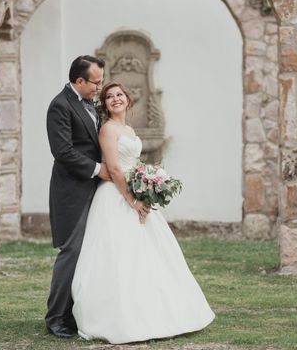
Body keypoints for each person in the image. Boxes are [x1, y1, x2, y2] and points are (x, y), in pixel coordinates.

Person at [71, 81, 215, 343]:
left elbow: (131, 164)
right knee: (121, 257)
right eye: (110, 96)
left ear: (128, 99)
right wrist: (133, 201)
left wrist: (149, 176)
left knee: (151, 255)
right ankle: (120, 318)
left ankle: (160, 312)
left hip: (132, 191)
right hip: (115, 197)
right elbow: (114, 169)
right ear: (104, 104)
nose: (115, 99)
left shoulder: (127, 128)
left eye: (119, 95)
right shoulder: (108, 129)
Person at [45, 55, 108, 339]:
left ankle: (76, 313)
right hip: (72, 190)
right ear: (79, 81)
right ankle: (55, 317)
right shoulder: (60, 105)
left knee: (92, 252)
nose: (100, 87)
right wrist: (99, 169)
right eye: (96, 82)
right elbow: (63, 151)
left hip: (96, 189)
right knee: (71, 252)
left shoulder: (90, 103)